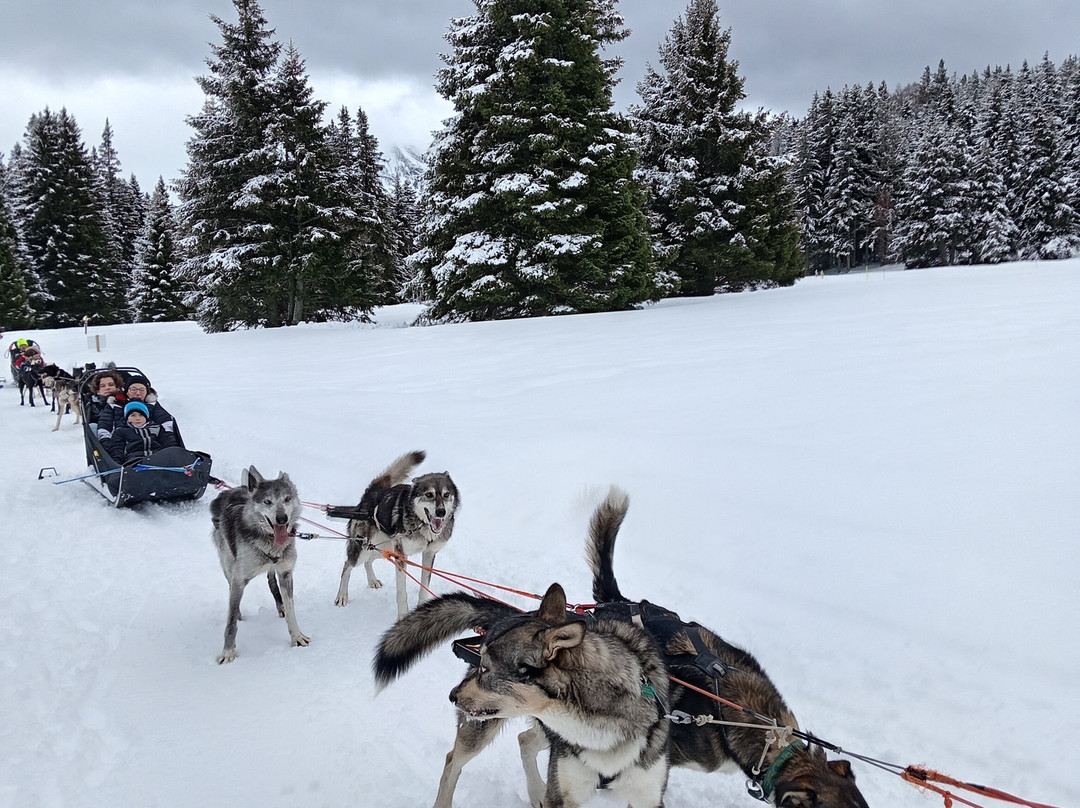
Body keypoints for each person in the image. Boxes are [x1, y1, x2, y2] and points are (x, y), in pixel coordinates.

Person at [106, 401, 177, 463]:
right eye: (133, 415)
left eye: (141, 415)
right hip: (134, 462)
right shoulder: (121, 431)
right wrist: (117, 464)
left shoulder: (157, 428)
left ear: (146, 418)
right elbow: (117, 449)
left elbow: (169, 442)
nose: (137, 418)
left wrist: (174, 456)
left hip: (158, 460)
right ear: (127, 419)